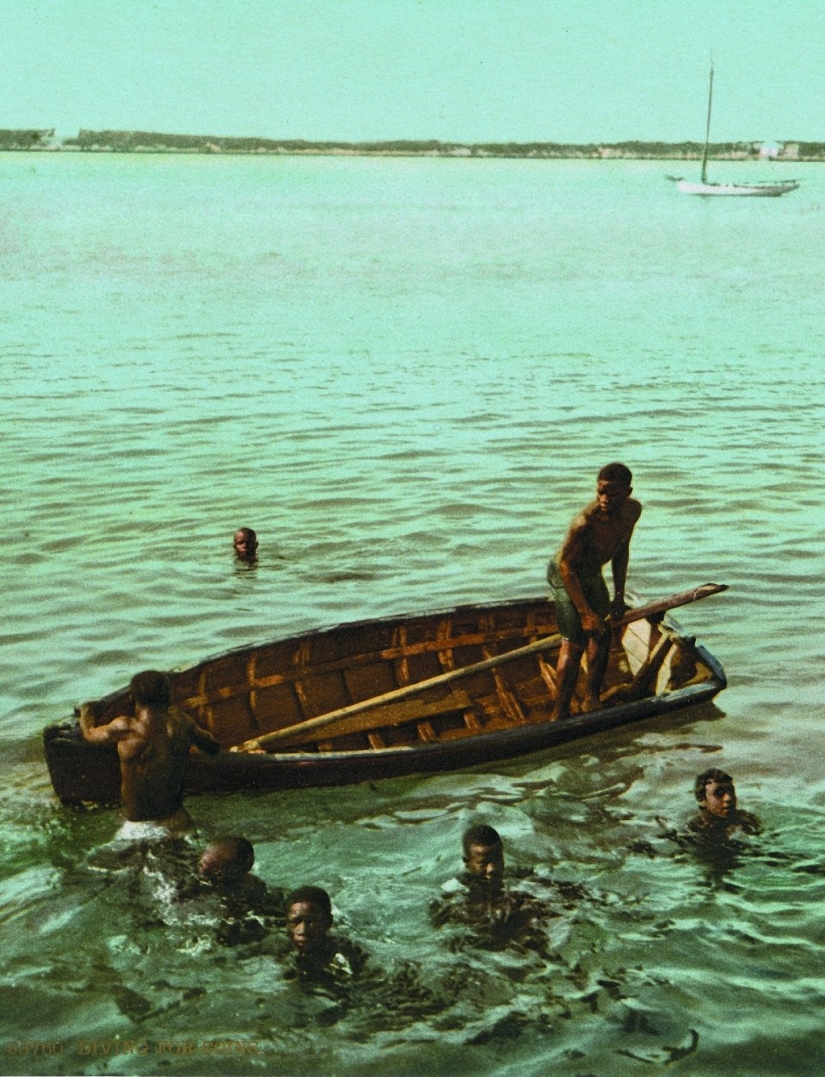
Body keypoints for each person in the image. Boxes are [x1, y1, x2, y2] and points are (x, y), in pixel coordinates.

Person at [548, 462, 642, 719]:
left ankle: (591, 699)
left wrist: (620, 595)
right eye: (600, 492)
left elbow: (621, 550)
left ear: (627, 492)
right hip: (566, 574)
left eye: (611, 494)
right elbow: (566, 566)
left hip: (592, 574)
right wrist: (585, 613)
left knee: (601, 635)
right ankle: (560, 712)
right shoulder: (584, 522)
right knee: (574, 642)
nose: (604, 499)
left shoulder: (633, 511)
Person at [78, 670, 221, 838]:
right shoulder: (182, 723)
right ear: (169, 696)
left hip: (137, 825)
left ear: (132, 698)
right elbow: (213, 747)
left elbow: (89, 735)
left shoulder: (125, 728)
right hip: (175, 820)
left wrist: (85, 711)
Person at [430, 826, 552, 953]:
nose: (492, 869)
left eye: (497, 860)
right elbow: (441, 933)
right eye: (483, 863)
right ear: (467, 862)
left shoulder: (521, 876)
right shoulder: (452, 893)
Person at [196, 836, 286, 945]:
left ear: (218, 873)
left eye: (203, 863)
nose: (199, 863)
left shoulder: (231, 898)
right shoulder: (254, 883)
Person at [284, 886, 368, 988]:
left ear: (327, 922)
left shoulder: (344, 956)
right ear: (287, 923)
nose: (303, 930)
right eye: (296, 922)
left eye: (311, 921)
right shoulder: (278, 947)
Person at [688, 769, 761, 838]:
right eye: (719, 793)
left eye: (731, 791)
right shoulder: (693, 830)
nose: (728, 798)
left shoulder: (746, 819)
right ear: (701, 800)